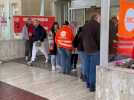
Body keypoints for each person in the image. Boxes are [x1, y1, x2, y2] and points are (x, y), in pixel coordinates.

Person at [79, 14, 100, 92]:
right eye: (99, 18)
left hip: (86, 49)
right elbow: (99, 39)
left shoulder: (85, 25)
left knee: (87, 67)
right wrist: (99, 47)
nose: (100, 19)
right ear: (96, 18)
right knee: (93, 69)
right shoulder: (97, 25)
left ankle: (88, 83)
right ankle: (92, 85)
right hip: (94, 50)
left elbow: (81, 37)